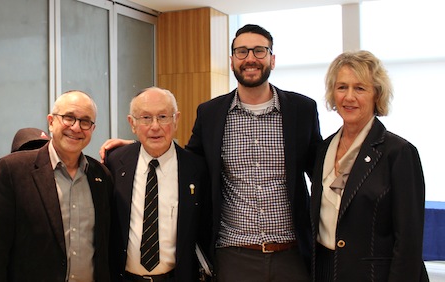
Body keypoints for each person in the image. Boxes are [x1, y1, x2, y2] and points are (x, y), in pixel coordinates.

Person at [100, 24, 322, 281]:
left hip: (291, 253)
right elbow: (186, 161)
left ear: (272, 58)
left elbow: (319, 169)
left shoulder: (302, 109)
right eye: (241, 52)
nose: (250, 58)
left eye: (259, 51)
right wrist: (139, 147)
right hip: (233, 255)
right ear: (231, 61)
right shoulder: (212, 113)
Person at [310, 50, 428, 281]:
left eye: (360, 88)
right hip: (323, 270)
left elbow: (408, 241)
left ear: (377, 94)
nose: (349, 97)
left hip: (373, 275)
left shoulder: (399, 153)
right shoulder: (323, 149)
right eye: (342, 87)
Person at [0, 90, 113, 282]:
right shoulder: (12, 170)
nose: (76, 128)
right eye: (69, 118)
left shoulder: (101, 176)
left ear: (93, 129)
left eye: (85, 121)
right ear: (51, 121)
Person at [105, 87, 211, 281]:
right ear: (132, 123)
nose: (155, 126)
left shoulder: (196, 169)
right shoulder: (114, 162)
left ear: (176, 119)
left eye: (163, 117)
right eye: (145, 118)